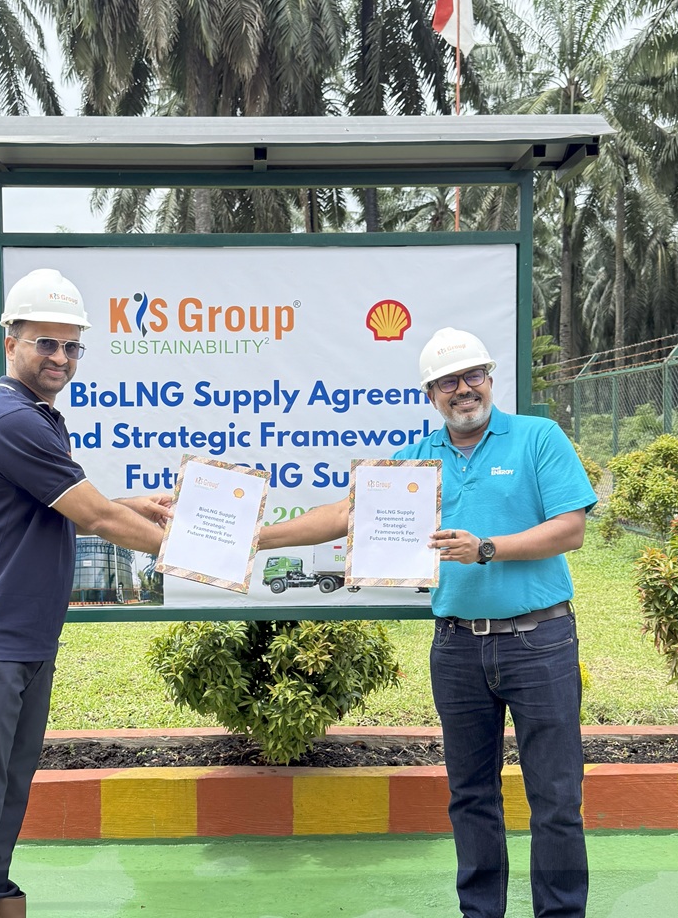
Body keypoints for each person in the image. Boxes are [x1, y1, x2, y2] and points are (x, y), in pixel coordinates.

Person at [259, 327, 596, 918]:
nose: (463, 390)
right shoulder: (416, 460)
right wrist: (256, 538)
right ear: (430, 394)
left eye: (473, 376)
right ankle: (481, 912)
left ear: (490, 378)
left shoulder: (537, 437)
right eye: (447, 382)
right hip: (458, 647)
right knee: (470, 796)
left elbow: (571, 528)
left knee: (556, 798)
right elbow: (343, 513)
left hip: (539, 641)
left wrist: (486, 548)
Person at [0, 268, 171, 918]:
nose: (60, 357)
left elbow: (60, 510)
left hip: (24, 641)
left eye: (70, 346)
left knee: (4, 803)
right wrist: (190, 552)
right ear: (12, 342)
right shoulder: (10, 418)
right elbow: (94, 517)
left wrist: (134, 505)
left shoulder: (37, 418)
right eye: (46, 343)